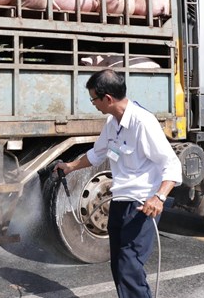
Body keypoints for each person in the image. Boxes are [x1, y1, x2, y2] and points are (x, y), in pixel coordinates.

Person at [55, 68, 182, 298]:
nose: (93, 103)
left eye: (94, 98)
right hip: (119, 203)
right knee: (120, 266)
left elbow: (171, 164)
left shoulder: (143, 123)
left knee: (129, 266)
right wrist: (70, 167)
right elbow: (98, 153)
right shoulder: (113, 122)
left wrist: (159, 197)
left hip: (142, 205)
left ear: (108, 99)